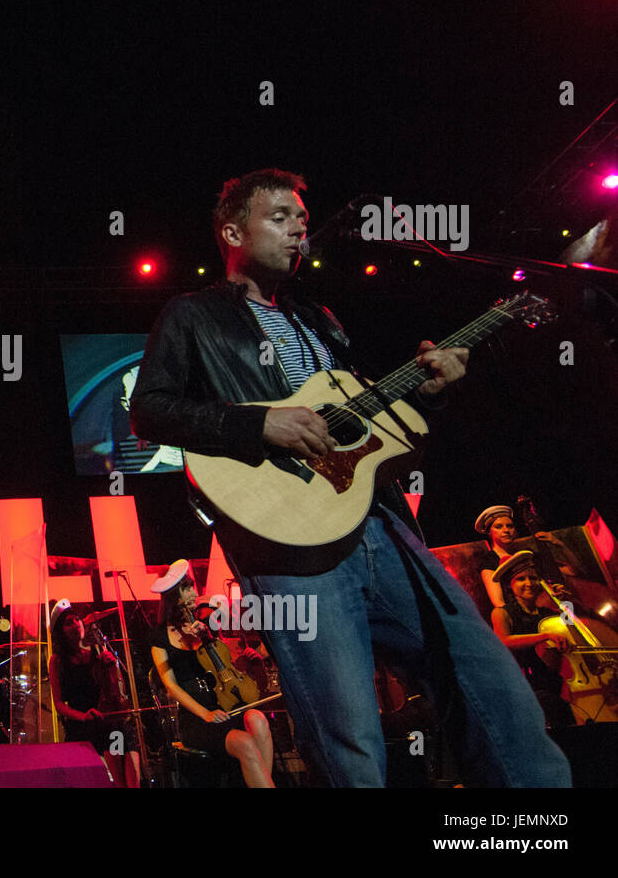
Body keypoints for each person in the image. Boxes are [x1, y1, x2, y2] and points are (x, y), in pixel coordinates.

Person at [129, 168, 571, 786]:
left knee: (491, 689)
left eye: (302, 221)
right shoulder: (193, 315)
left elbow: (367, 428)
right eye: (279, 217)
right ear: (232, 231)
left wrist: (432, 391)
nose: (298, 230)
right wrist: (260, 426)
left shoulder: (323, 320)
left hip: (384, 529)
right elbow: (149, 408)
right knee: (350, 741)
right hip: (292, 548)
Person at [149, 561, 274, 787]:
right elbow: (171, 685)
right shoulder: (159, 636)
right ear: (175, 595)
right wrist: (205, 713)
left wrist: (207, 639)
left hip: (223, 706)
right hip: (197, 718)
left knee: (258, 719)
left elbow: (222, 665)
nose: (195, 593)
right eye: (188, 589)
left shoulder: (200, 627)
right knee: (245, 743)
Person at [48, 599, 141, 787]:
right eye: (68, 623)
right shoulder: (57, 661)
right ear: (61, 632)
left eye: (77, 620)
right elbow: (58, 704)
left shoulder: (97, 652)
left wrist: (113, 666)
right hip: (84, 727)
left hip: (109, 722)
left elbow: (117, 689)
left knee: (131, 773)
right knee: (112, 780)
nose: (76, 625)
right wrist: (83, 717)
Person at [488, 552, 576, 728]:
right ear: (509, 586)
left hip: (557, 682)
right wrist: (543, 636)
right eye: (521, 579)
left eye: (533, 578)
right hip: (527, 685)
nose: (529, 583)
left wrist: (564, 602)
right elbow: (504, 640)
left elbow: (571, 628)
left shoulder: (547, 614)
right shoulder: (502, 613)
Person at [475, 504, 580, 610]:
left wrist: (559, 544)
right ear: (489, 532)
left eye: (510, 526)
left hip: (547, 609)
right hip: (522, 614)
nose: (506, 530)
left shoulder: (527, 554)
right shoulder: (489, 562)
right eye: (498, 526)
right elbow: (499, 602)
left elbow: (573, 571)